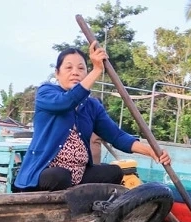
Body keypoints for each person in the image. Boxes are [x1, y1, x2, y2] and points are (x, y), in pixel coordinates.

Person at [12, 42, 170, 192]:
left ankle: (84, 207)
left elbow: (116, 136)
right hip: (44, 174)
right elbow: (65, 102)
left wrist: (150, 151)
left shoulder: (92, 106)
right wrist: (97, 70)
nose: (75, 72)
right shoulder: (46, 92)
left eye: (81, 68)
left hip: (78, 175)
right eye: (69, 67)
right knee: (60, 176)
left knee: (114, 173)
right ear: (57, 73)